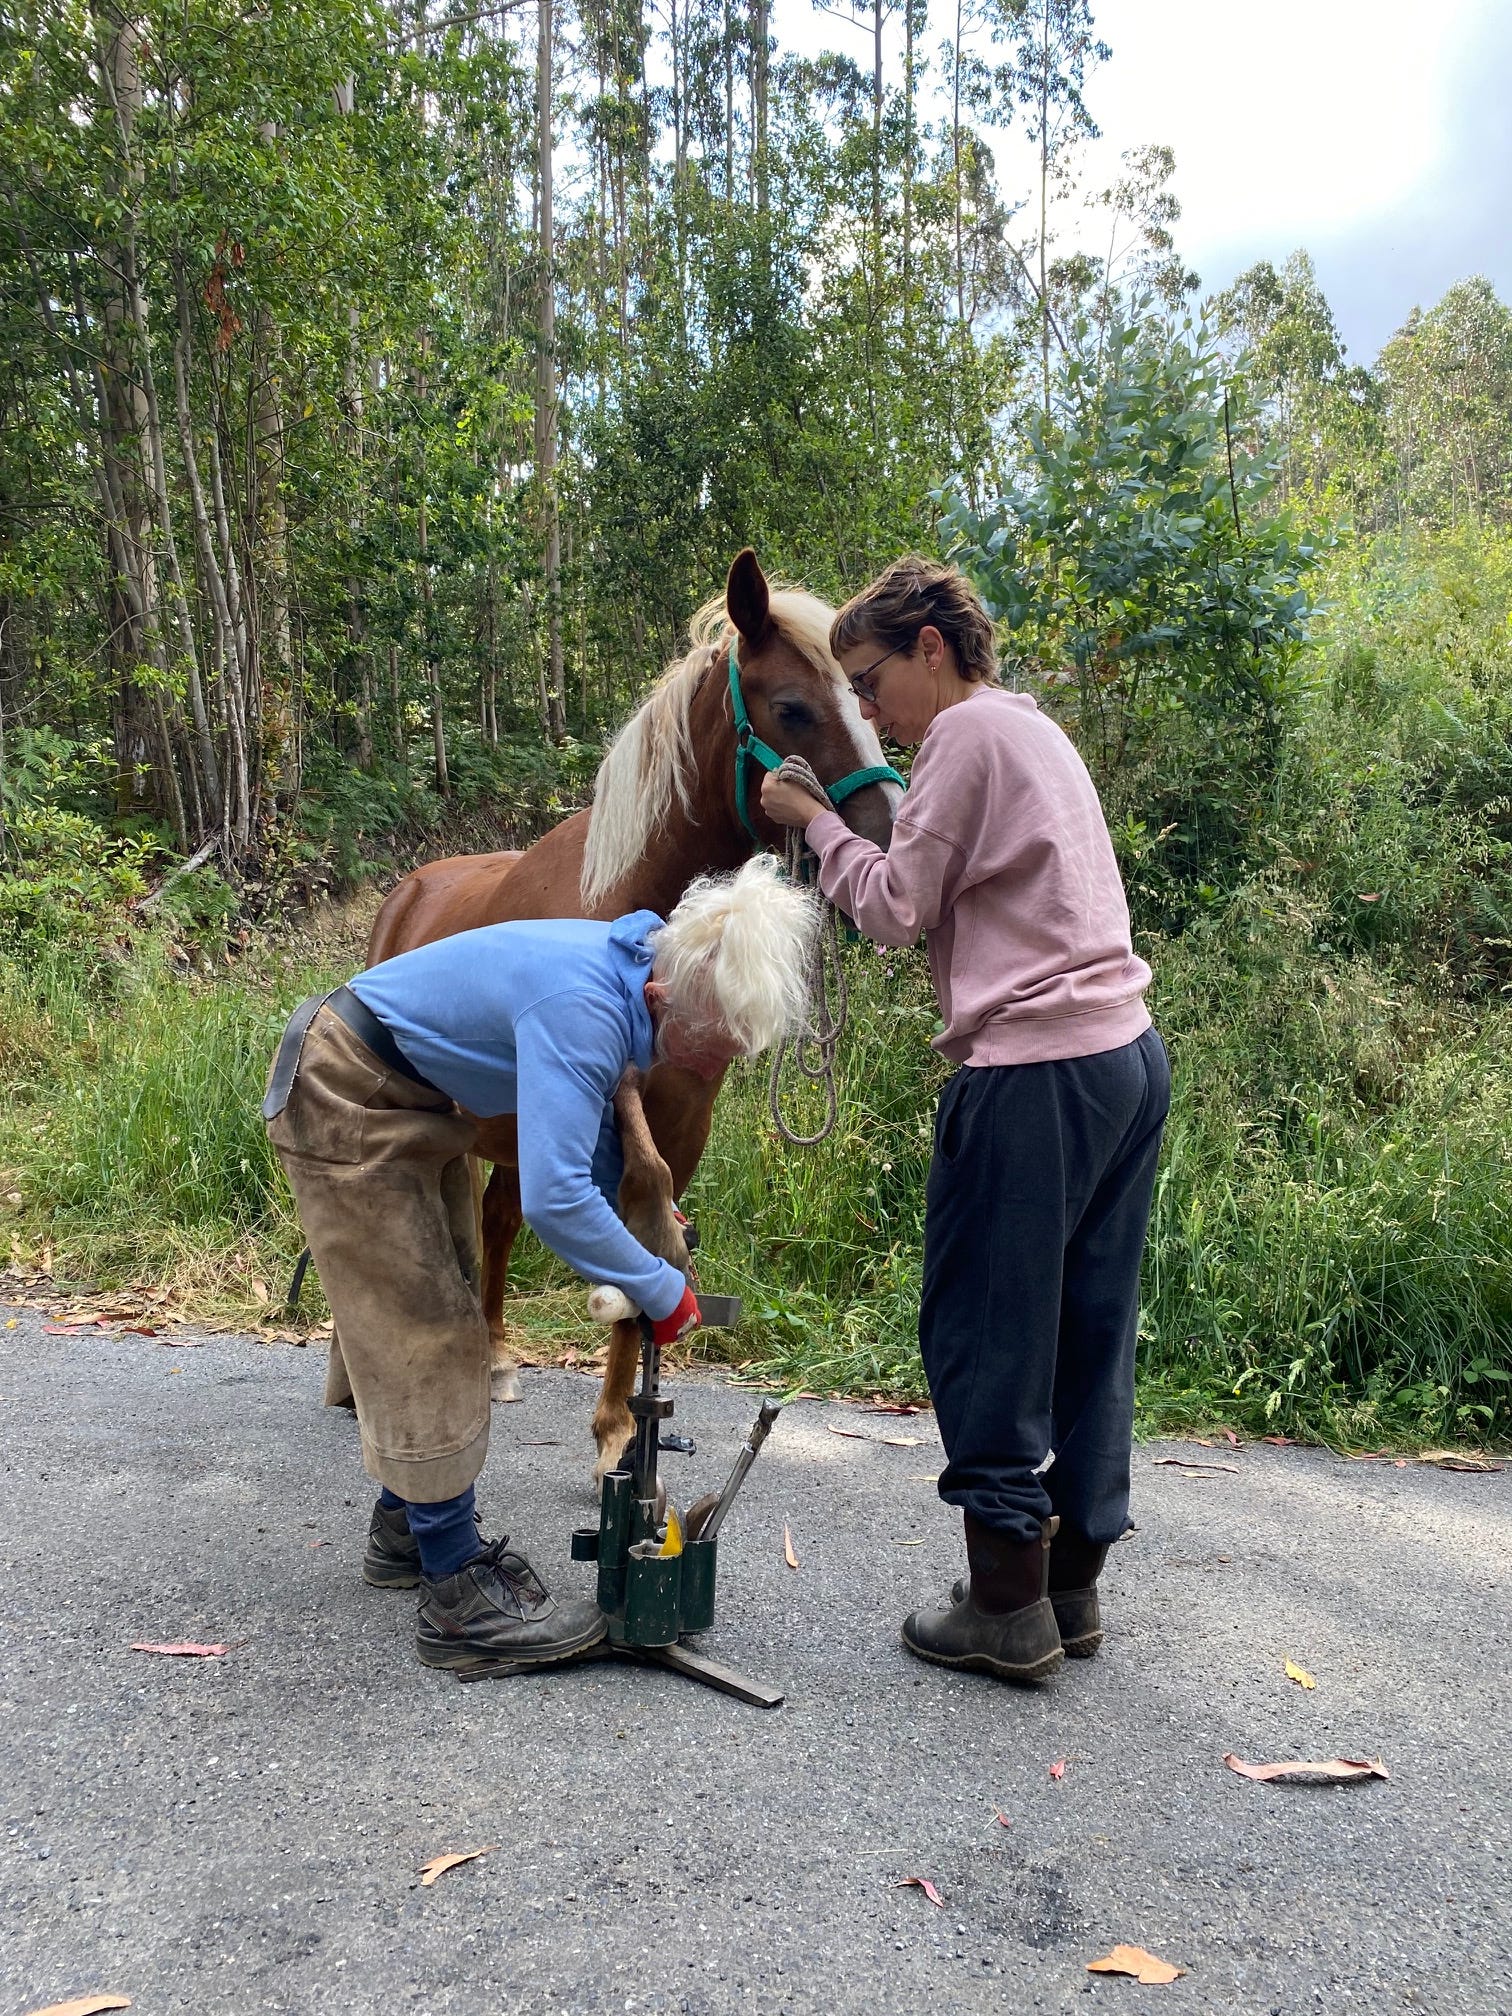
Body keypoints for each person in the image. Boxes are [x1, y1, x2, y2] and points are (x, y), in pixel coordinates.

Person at [761, 557, 1169, 1685]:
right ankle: (1070, 1585)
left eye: (870, 681)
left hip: (1037, 1070)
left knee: (986, 1329)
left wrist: (816, 822)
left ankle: (1003, 1604)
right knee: (1088, 1328)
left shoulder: (964, 738)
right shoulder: (1030, 728)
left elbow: (897, 910)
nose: (868, 710)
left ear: (930, 648)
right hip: (1124, 1055)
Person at [263, 855, 817, 1677]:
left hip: (412, 1096)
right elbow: (554, 1200)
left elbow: (587, 1142)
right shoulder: (587, 1005)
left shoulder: (630, 980)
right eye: (708, 1050)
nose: (711, 1069)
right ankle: (456, 1595)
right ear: (665, 996)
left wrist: (644, 1223)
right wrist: (658, 1288)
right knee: (428, 1327)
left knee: (447, 1293)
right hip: (344, 1089)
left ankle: (406, 1528)